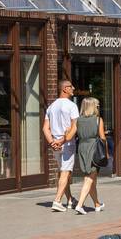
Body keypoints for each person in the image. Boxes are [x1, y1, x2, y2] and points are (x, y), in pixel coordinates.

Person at [44, 80, 79, 211]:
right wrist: (62, 141)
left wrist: (52, 142)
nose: (73, 88)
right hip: (67, 144)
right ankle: (57, 200)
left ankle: (70, 199)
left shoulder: (51, 107)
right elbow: (74, 127)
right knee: (65, 172)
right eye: (71, 86)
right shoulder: (71, 106)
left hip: (56, 145)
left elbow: (45, 128)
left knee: (64, 172)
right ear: (64, 89)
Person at [72, 96, 106, 214]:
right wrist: (106, 152)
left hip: (82, 148)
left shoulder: (77, 120)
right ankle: (80, 205)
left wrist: (57, 141)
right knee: (89, 178)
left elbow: (69, 135)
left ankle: (97, 204)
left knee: (92, 178)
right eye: (97, 106)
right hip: (93, 148)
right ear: (92, 107)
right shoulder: (98, 120)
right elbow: (102, 137)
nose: (98, 107)